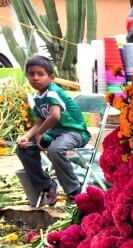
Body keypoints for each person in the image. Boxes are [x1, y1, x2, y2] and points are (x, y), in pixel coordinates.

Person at [16, 55, 91, 206]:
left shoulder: (53, 92)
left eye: (40, 74)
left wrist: (40, 133)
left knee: (55, 149)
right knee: (23, 148)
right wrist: (27, 136)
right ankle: (47, 184)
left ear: (51, 78)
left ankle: (74, 190)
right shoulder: (38, 97)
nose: (35, 78)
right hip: (55, 134)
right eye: (31, 74)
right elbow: (39, 123)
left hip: (75, 133)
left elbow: (55, 116)